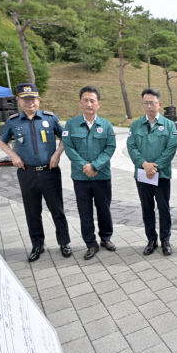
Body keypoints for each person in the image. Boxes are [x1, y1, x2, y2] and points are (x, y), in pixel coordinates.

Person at [0, 82, 72, 262]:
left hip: (50, 171)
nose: (30, 103)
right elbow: (1, 141)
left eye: (33, 99)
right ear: (19, 101)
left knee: (57, 209)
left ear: (38, 99)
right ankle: (37, 245)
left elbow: (65, 137)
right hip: (27, 173)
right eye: (25, 100)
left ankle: (64, 242)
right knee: (32, 211)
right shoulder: (13, 121)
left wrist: (57, 153)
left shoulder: (50, 118)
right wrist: (13, 155)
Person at [63, 86, 117, 260]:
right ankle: (90, 244)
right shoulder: (71, 125)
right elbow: (69, 147)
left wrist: (95, 166)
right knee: (84, 212)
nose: (89, 103)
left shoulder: (106, 125)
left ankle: (106, 238)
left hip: (102, 176)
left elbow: (110, 148)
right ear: (80, 102)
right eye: (85, 100)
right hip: (81, 178)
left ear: (98, 104)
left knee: (104, 209)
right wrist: (84, 166)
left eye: (92, 100)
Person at [126, 88, 177, 256]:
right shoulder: (135, 125)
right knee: (147, 208)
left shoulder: (169, 125)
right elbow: (131, 147)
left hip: (161, 175)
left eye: (152, 103)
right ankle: (151, 240)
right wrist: (144, 165)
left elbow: (171, 149)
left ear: (159, 104)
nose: (149, 106)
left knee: (164, 209)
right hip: (142, 175)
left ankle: (166, 240)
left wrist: (154, 167)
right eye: (146, 103)